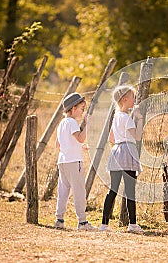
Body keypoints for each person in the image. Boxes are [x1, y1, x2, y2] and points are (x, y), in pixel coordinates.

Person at [99, 85, 144, 233]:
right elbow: (137, 137)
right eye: (132, 98)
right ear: (125, 99)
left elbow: (111, 138)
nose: (134, 100)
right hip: (128, 152)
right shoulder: (127, 118)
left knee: (113, 190)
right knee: (130, 190)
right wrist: (140, 119)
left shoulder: (116, 116)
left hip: (116, 151)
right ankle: (132, 224)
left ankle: (104, 224)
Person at [53, 92, 96, 231]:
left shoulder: (62, 124)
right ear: (73, 108)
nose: (82, 112)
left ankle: (59, 219)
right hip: (74, 162)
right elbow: (80, 138)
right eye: (81, 109)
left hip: (63, 162)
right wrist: (88, 125)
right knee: (79, 191)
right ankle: (82, 222)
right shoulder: (72, 122)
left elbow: (58, 145)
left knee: (63, 191)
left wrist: (78, 147)